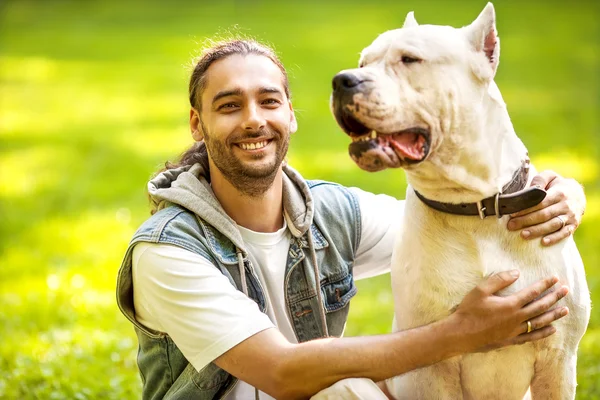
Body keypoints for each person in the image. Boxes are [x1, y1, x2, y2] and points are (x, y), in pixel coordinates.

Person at [116, 39, 586, 400]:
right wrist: (460, 334)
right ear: (197, 124)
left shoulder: (331, 214)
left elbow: (462, 224)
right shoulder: (166, 250)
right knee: (346, 390)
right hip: (312, 390)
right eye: (229, 105)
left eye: (269, 101)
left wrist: (564, 193)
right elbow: (282, 371)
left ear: (292, 116)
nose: (253, 120)